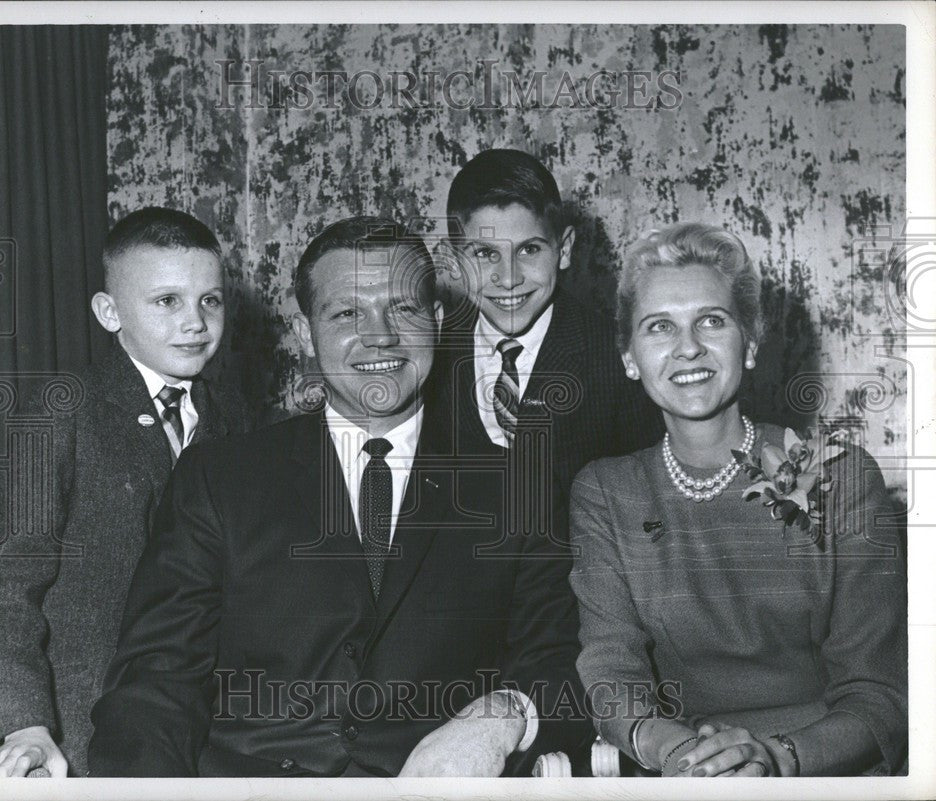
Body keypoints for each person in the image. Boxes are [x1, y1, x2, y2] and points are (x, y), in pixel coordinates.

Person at [87, 216, 590, 778]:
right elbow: (155, 683)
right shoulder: (218, 478)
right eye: (347, 313)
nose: (380, 335)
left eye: (402, 309)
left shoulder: (515, 486)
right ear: (306, 334)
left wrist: (497, 718)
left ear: (439, 320)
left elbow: (562, 663)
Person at [568, 222, 907, 777]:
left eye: (711, 320)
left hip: (827, 771)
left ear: (748, 343)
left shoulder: (843, 476)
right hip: (684, 772)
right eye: (659, 327)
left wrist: (777, 759)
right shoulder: (606, 492)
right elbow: (612, 672)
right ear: (629, 357)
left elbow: (880, 693)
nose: (688, 347)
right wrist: (681, 755)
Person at [0, 207, 253, 777]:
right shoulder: (64, 408)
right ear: (109, 312)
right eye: (167, 301)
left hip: (201, 730)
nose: (194, 322)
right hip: (78, 730)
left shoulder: (235, 421)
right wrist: (24, 724)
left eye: (209, 301)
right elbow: (0, 585)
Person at [429, 148, 664, 499]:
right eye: (483, 253)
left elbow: (649, 497)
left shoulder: (618, 355)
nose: (508, 279)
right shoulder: (428, 352)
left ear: (564, 249)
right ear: (453, 260)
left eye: (529, 250)